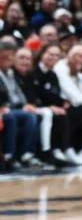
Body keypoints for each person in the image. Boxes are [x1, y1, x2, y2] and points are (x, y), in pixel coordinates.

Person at [0, 38, 42, 169]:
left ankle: (27, 154)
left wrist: (25, 104)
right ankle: (9, 155)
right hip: (5, 108)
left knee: (32, 114)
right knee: (10, 117)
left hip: (12, 107)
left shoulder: (12, 73)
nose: (8, 58)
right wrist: (3, 106)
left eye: (11, 55)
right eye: (4, 56)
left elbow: (18, 93)